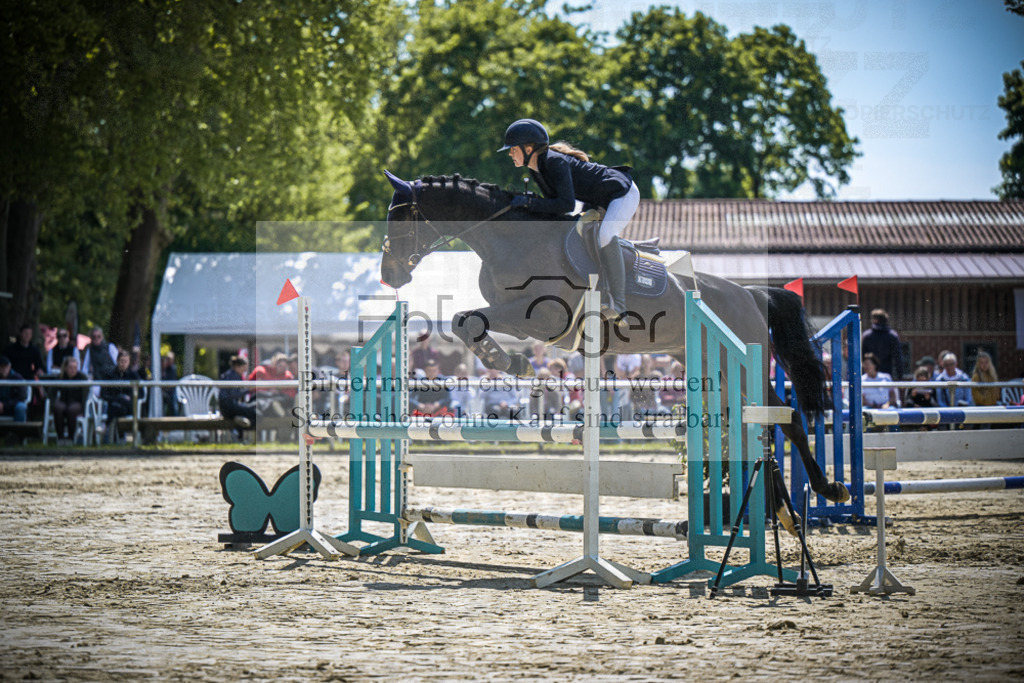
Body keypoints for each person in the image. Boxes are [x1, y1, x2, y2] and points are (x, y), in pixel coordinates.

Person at [499, 118, 639, 319]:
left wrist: (530, 203)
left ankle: (619, 303)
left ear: (528, 148)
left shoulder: (554, 162)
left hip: (621, 193)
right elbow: (554, 209)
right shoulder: (536, 169)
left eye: (513, 149)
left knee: (605, 235)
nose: (510, 153)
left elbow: (566, 204)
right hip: (597, 200)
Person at [100, 348, 140, 442]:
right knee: (117, 405)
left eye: (126, 361)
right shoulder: (110, 375)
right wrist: (118, 398)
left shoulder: (133, 375)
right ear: (117, 361)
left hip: (129, 406)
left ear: (129, 362)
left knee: (120, 402)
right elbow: (104, 394)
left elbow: (140, 393)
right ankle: (120, 438)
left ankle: (105, 426)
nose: (123, 363)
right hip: (114, 405)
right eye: (121, 361)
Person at [219, 356, 261, 434]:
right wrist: (248, 389)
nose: (244, 371)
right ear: (238, 367)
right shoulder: (233, 377)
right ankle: (242, 432)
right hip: (229, 408)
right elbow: (234, 395)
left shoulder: (229, 374)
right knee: (256, 414)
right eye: (244, 369)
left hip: (227, 408)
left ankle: (238, 420)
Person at [52, 356, 89, 443]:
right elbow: (52, 393)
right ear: (65, 368)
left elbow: (85, 397)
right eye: (70, 368)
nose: (73, 370)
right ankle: (60, 438)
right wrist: (51, 406)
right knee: (58, 408)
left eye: (75, 368)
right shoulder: (60, 377)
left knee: (71, 410)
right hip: (64, 401)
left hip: (77, 403)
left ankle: (70, 438)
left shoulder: (82, 378)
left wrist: (84, 411)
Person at [247, 352, 294, 417]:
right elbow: (250, 387)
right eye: (280, 365)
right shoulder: (261, 371)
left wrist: (279, 391)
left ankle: (277, 410)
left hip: (277, 399)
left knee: (276, 401)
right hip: (260, 397)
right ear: (274, 363)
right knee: (258, 403)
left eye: (284, 367)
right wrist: (267, 390)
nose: (282, 368)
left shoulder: (288, 376)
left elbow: (291, 393)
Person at [861, 309, 904, 379]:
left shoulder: (867, 336)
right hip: (887, 374)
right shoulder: (892, 336)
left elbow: (862, 357)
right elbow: (898, 359)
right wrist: (900, 376)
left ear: (875, 320)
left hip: (869, 375)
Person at [0, 355, 29, 422]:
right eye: (1, 367)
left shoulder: (17, 378)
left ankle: (19, 431)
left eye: (6, 366)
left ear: (9, 367)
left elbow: (22, 397)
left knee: (21, 407)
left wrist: (4, 405)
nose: (4, 369)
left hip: (13, 406)